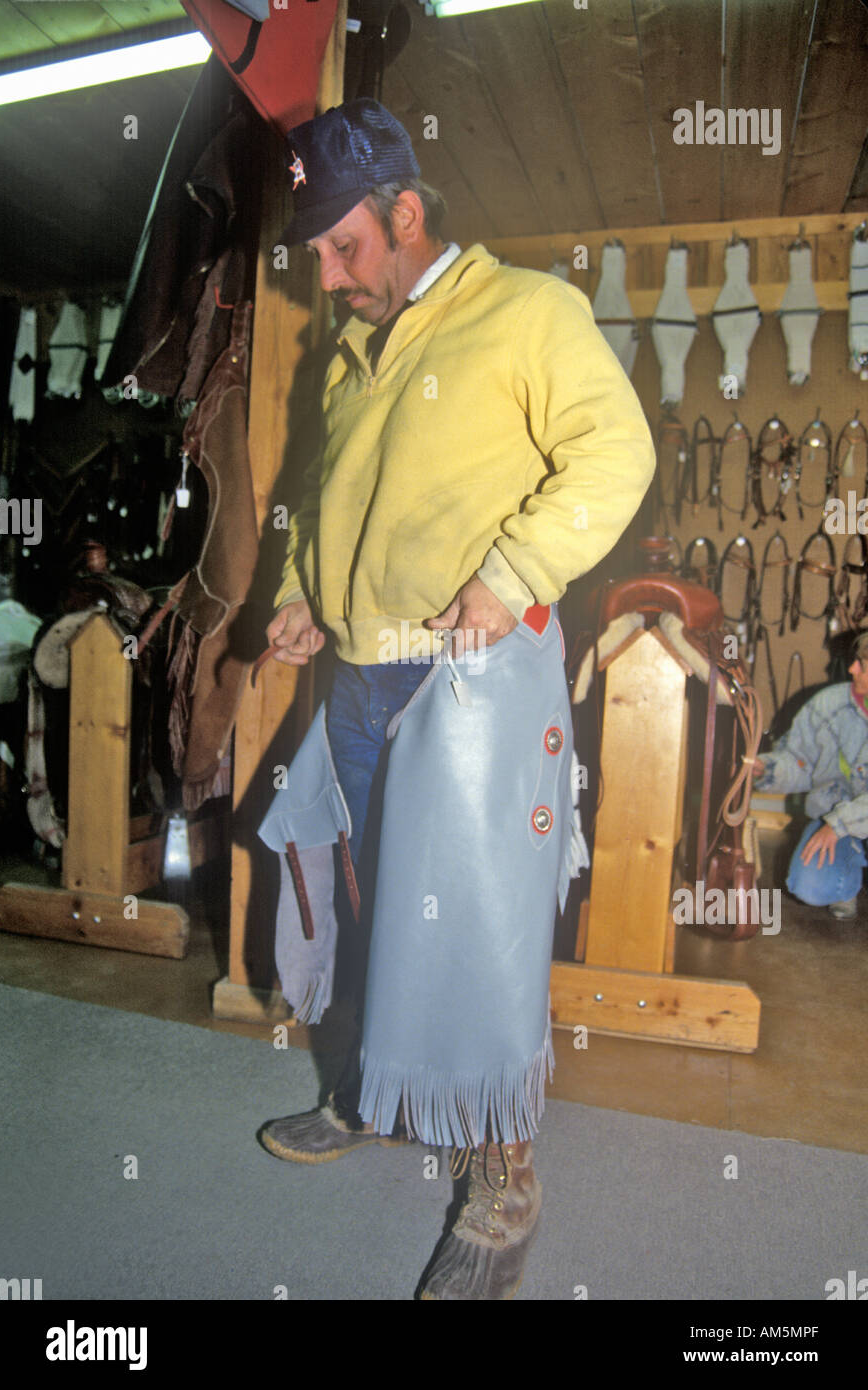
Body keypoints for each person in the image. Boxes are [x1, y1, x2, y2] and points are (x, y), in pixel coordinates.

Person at [258, 98, 655, 1299]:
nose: (328, 278)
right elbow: (322, 496)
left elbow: (615, 449)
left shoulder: (526, 312)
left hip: (470, 683)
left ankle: (504, 1176)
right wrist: (297, 588)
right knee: (378, 908)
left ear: (407, 212)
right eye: (315, 254)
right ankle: (381, 1093)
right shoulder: (342, 361)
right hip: (360, 676)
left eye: (346, 248)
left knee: (476, 937)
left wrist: (514, 573)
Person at [754, 631, 868, 920]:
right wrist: (765, 769)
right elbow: (800, 763)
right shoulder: (828, 705)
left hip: (845, 820)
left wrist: (840, 824)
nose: (852, 669)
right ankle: (846, 879)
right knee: (810, 886)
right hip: (839, 817)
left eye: (863, 664)